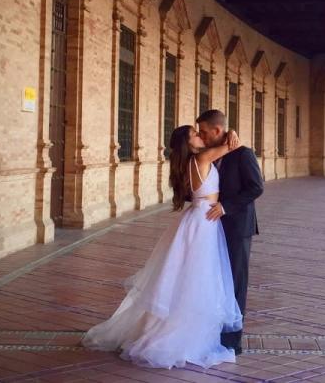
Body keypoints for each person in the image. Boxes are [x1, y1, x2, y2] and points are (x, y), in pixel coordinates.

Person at [82, 125, 243, 369]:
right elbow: (234, 146)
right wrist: (231, 132)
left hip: (197, 218)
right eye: (195, 135)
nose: (200, 136)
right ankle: (179, 335)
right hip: (203, 222)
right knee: (195, 277)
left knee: (184, 276)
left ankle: (176, 328)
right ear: (188, 144)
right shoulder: (201, 157)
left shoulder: (188, 162)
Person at [195, 109, 264, 355]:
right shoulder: (207, 153)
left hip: (237, 227)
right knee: (214, 281)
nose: (202, 136)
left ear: (217, 130)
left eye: (205, 131)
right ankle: (213, 334)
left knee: (235, 283)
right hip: (212, 228)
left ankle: (232, 342)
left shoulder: (243, 153)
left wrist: (226, 206)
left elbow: (256, 187)